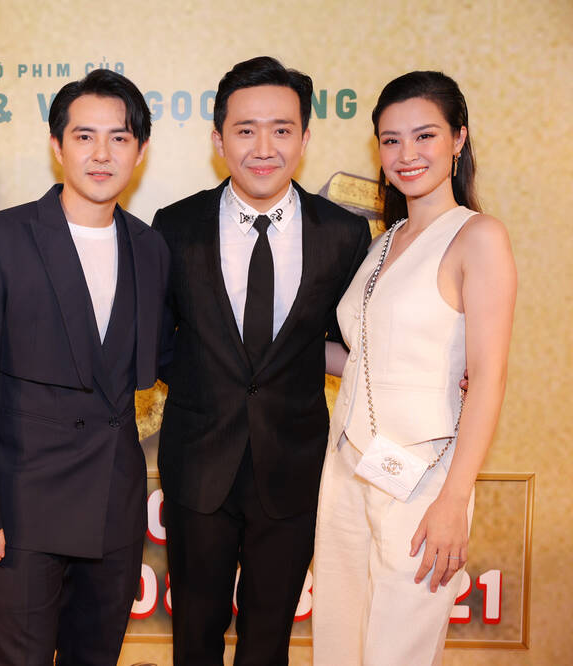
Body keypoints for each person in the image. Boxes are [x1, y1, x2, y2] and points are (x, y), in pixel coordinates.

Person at [152, 56, 372, 665]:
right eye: (246, 130)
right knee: (194, 635)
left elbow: (352, 344)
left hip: (294, 465)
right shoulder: (175, 226)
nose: (264, 147)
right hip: (199, 462)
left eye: (281, 129)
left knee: (268, 639)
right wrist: (202, 386)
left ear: (305, 138)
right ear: (218, 139)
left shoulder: (342, 233)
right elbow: (158, 339)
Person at [0, 69, 170, 665]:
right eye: (84, 136)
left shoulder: (150, 248)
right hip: (24, 506)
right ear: (57, 145)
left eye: (119, 138)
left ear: (140, 151)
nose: (102, 154)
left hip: (114, 503)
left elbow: (168, 356)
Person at [312, 71, 516, 665]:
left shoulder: (479, 237)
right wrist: (267, 345)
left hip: (424, 483)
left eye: (424, 135)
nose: (407, 154)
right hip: (347, 470)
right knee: (339, 646)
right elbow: (364, 360)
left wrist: (454, 499)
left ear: (458, 139)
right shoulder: (385, 240)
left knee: (396, 652)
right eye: (391, 139)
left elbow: (488, 378)